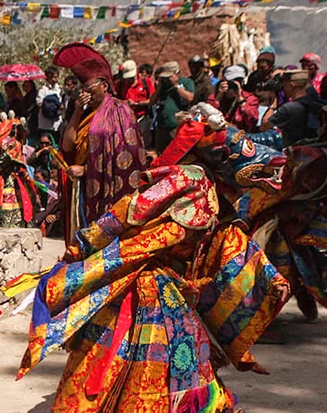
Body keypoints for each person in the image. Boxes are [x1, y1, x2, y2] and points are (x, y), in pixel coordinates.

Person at [19, 165, 287, 412]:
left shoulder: (137, 210)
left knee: (120, 355)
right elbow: (228, 245)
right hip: (152, 292)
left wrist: (75, 254)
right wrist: (273, 279)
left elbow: (96, 234)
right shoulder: (186, 214)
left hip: (145, 290)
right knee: (178, 353)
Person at [55, 43, 145, 245]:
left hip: (107, 186)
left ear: (104, 85)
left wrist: (86, 170)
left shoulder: (119, 112)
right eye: (82, 89)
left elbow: (125, 159)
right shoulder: (84, 112)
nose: (85, 92)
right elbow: (68, 147)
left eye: (89, 87)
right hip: (82, 189)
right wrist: (77, 111)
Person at [269, 69, 323, 145]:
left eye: (284, 84)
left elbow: (264, 127)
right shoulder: (317, 106)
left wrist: (272, 101)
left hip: (292, 152)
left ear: (291, 85)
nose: (283, 88)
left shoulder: (288, 108)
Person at [151, 61, 193, 152]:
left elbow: (190, 97)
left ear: (176, 74)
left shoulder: (186, 82)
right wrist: (159, 87)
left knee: (175, 152)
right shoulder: (163, 86)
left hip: (176, 126)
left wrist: (176, 85)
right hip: (162, 125)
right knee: (161, 153)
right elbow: (152, 101)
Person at [217, 65, 261, 131]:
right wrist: (219, 96)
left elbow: (252, 121)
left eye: (239, 81)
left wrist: (240, 99)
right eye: (231, 81)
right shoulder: (218, 96)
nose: (235, 83)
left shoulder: (250, 99)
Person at [37, 67, 62, 144]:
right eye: (52, 77)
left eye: (55, 77)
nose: (54, 79)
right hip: (45, 125)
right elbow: (39, 103)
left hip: (57, 124)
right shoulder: (42, 90)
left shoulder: (59, 89)